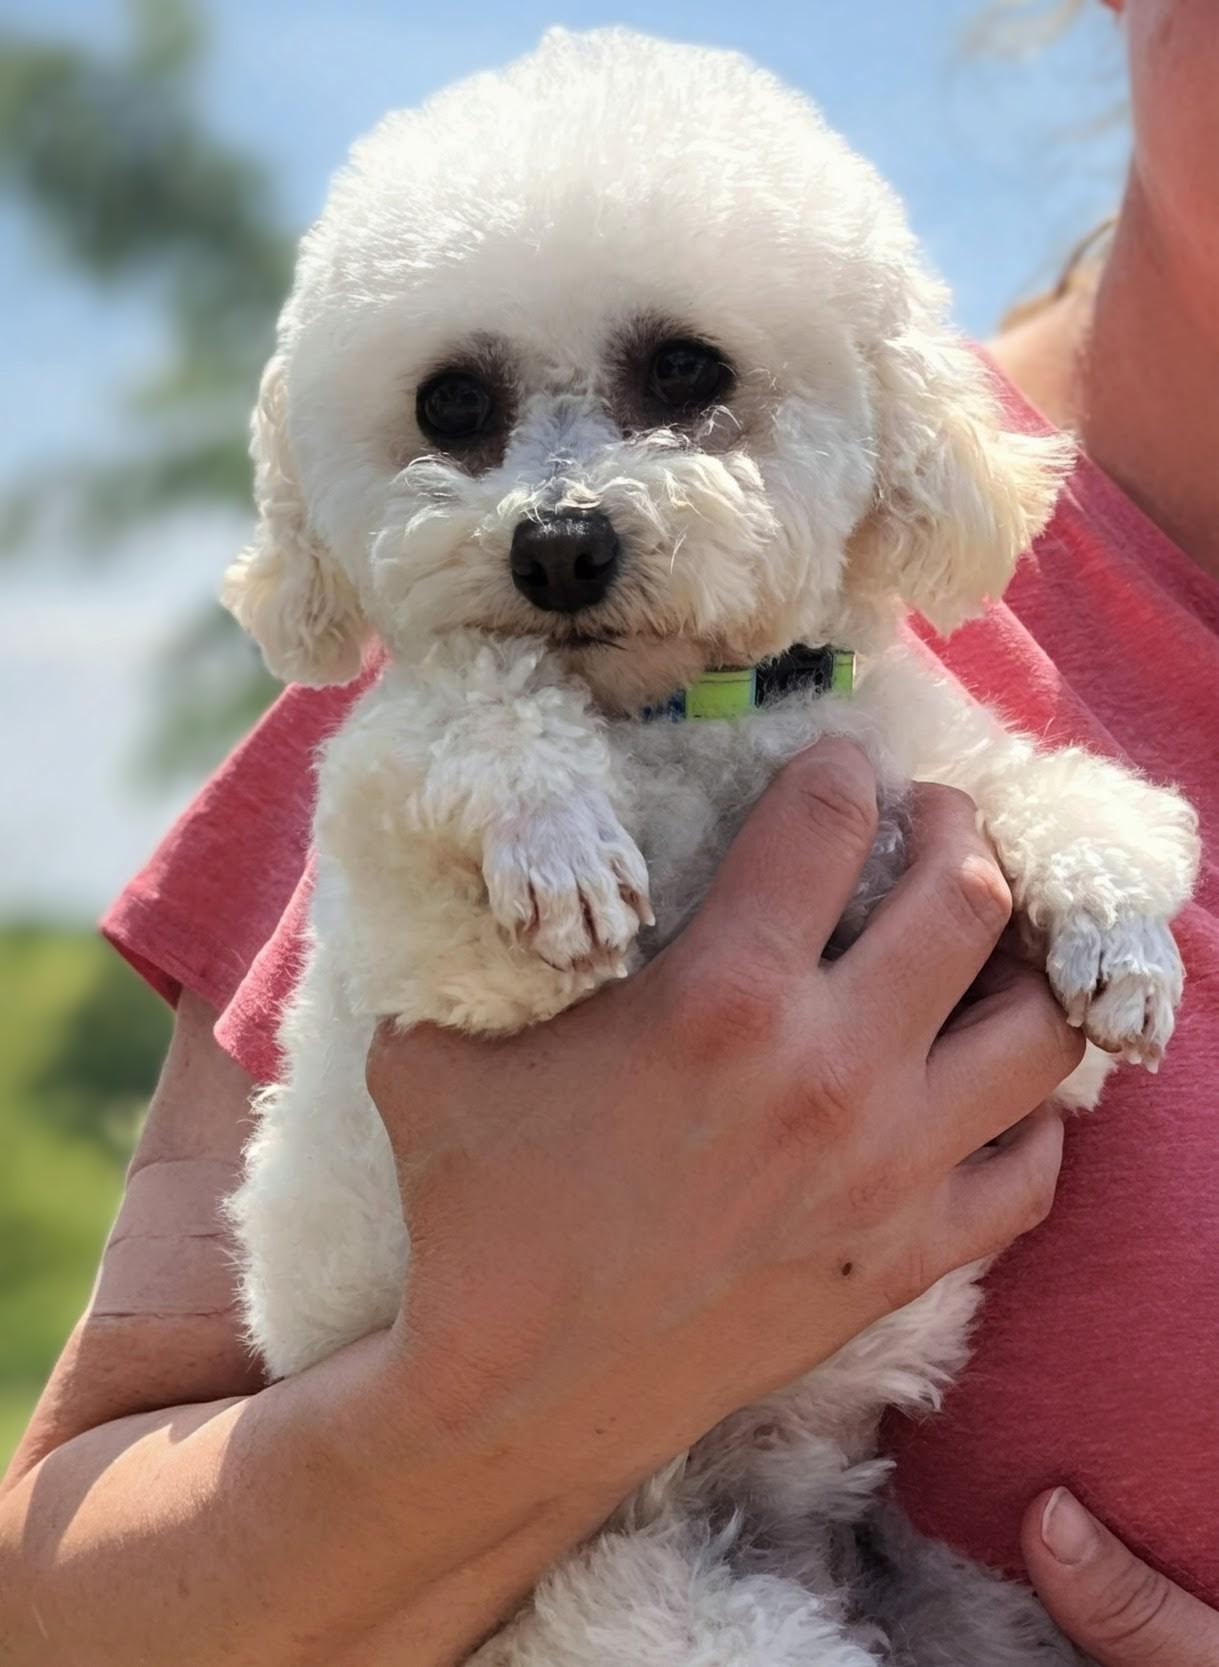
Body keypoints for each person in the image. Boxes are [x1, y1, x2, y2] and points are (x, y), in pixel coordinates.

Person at [2, 0, 1216, 1660]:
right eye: (458, 417)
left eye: (683, 383)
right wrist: (508, 1398)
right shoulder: (459, 688)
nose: (556, 516)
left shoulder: (901, 696)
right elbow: (64, 1610)